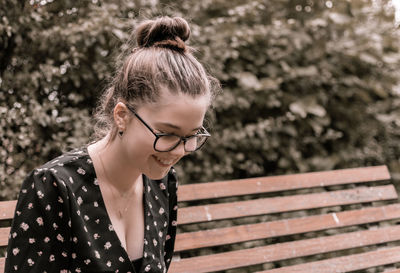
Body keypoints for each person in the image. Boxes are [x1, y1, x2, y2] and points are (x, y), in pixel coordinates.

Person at [5, 16, 219, 273]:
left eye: (192, 136)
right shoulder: (54, 188)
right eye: (167, 134)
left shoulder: (162, 183)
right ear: (122, 116)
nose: (179, 150)